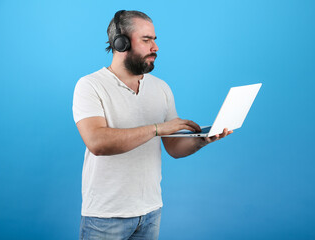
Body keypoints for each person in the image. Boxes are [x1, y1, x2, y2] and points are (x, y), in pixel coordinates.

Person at [73, 10, 233, 240]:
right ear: (121, 43)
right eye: (146, 40)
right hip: (105, 217)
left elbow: (174, 148)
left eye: (154, 40)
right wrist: (157, 128)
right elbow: (97, 142)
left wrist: (202, 141)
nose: (155, 47)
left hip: (150, 212)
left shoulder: (161, 88)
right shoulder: (90, 86)